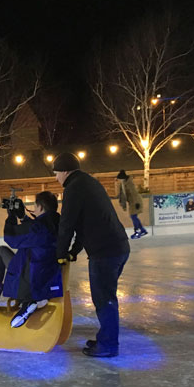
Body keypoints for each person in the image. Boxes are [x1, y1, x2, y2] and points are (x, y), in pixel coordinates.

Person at [54, 152, 130, 358]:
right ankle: (106, 339)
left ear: (65, 171)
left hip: (105, 252)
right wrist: (74, 251)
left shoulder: (73, 188)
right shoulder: (88, 183)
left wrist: (60, 253)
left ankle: (108, 345)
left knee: (104, 298)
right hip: (117, 247)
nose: (56, 178)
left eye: (57, 173)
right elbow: (85, 222)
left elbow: (67, 223)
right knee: (106, 296)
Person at [0, 191, 62, 328]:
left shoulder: (39, 227)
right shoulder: (57, 224)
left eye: (35, 207)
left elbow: (11, 238)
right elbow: (35, 235)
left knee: (1, 252)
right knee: (6, 253)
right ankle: (28, 302)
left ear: (41, 208)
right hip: (48, 277)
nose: (34, 210)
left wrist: (11, 217)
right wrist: (23, 216)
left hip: (33, 278)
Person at [116, 169, 148, 239]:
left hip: (135, 201)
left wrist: (137, 203)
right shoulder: (124, 184)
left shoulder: (128, 184)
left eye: (119, 179)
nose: (119, 181)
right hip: (133, 202)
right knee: (133, 216)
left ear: (122, 178)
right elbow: (124, 194)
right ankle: (142, 230)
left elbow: (134, 193)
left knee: (133, 216)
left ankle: (137, 231)